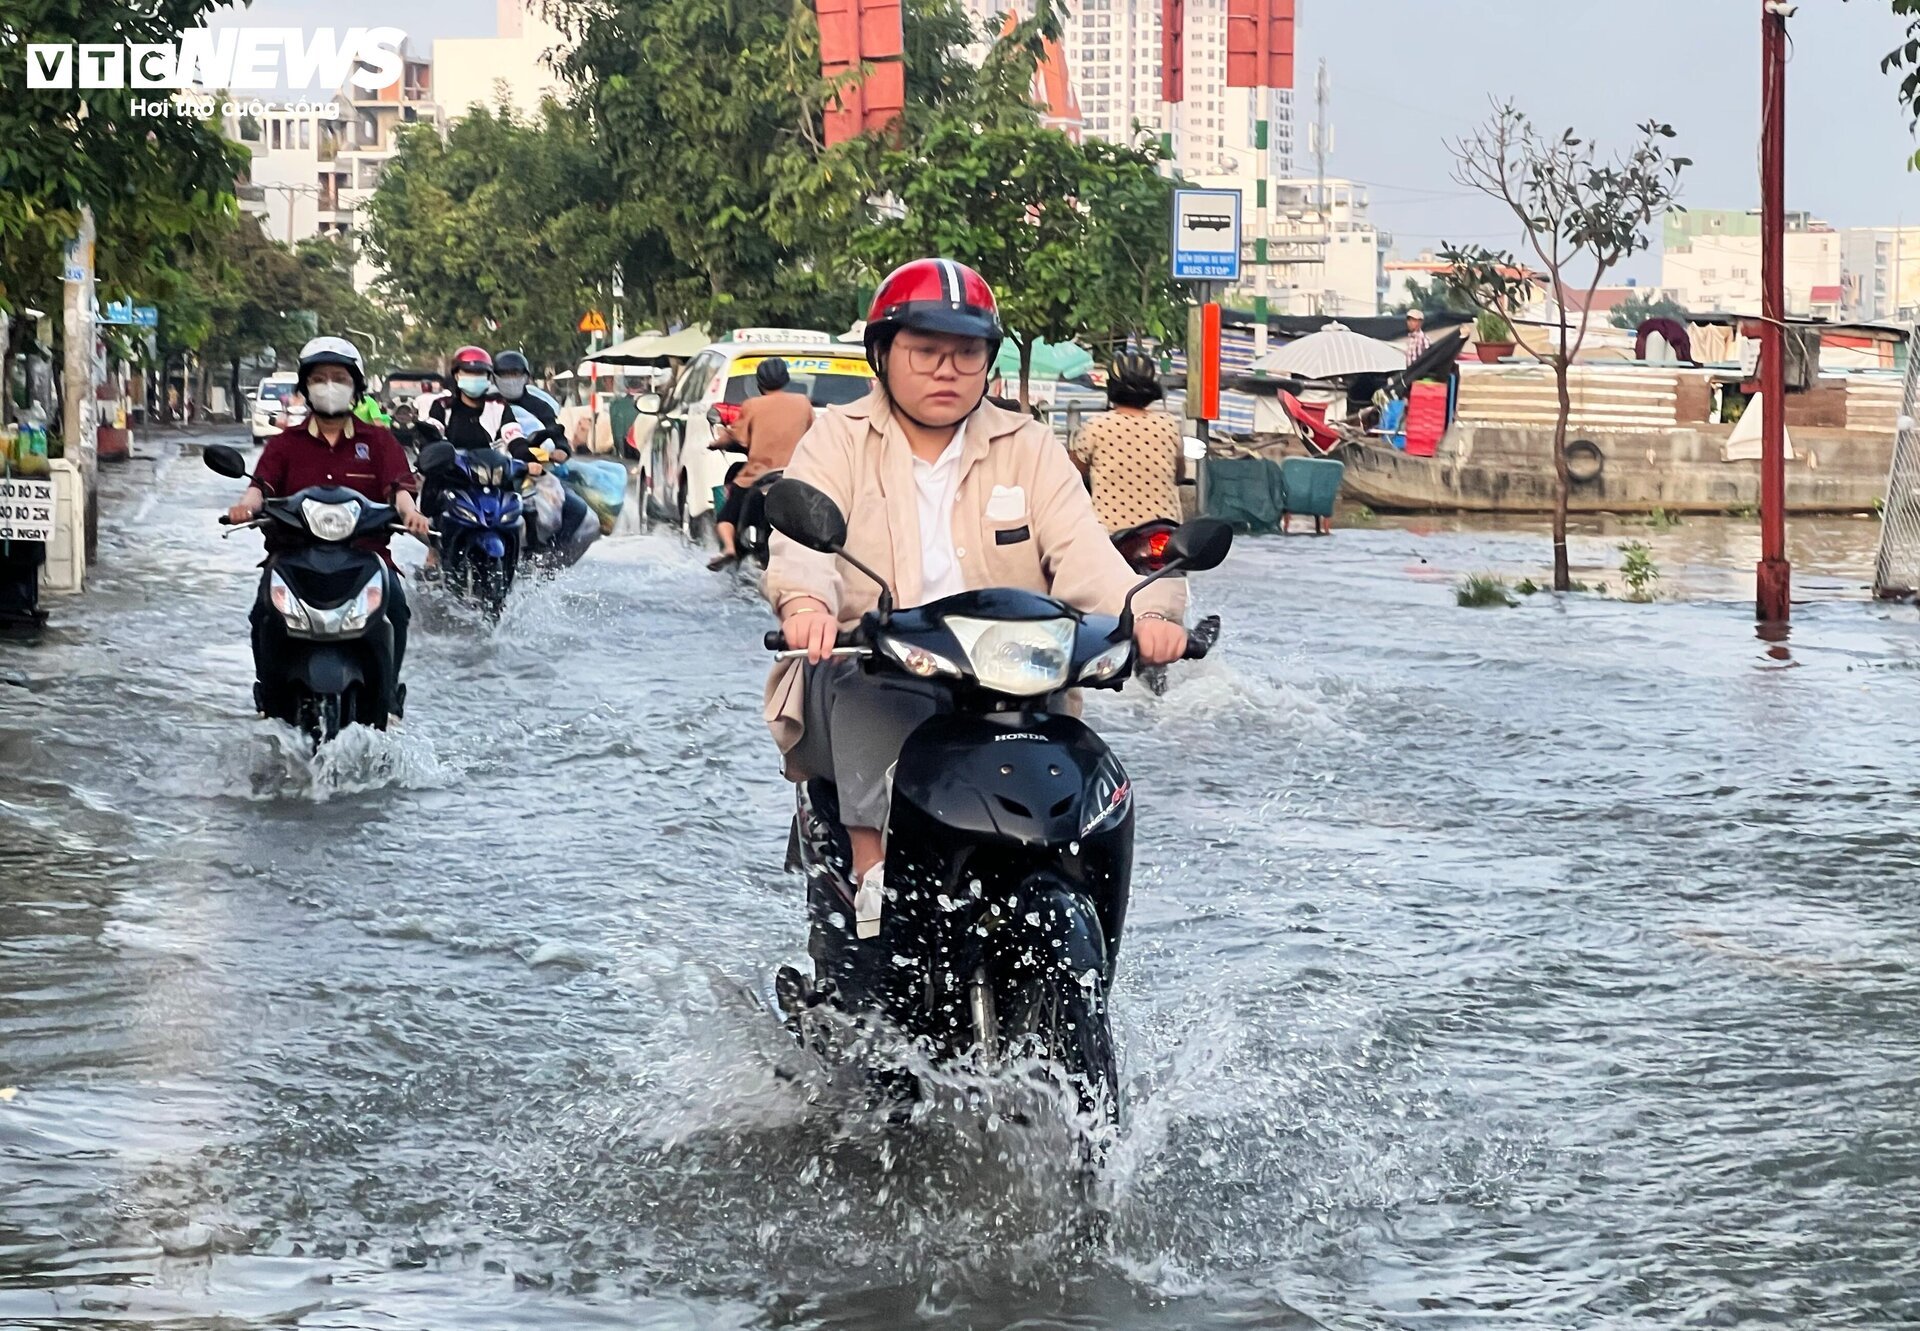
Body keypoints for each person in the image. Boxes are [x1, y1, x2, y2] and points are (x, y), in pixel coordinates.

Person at [764, 257, 1188, 909]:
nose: (946, 368)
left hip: (1010, 673)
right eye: (926, 349)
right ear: (883, 353)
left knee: (1083, 773)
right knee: (868, 697)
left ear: (988, 360)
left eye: (966, 353)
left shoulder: (1030, 445)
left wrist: (1147, 614)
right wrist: (807, 602)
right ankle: (876, 901)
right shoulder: (837, 438)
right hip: (877, 662)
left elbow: (1086, 554)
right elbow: (802, 543)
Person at [225, 336, 430, 711]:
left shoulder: (380, 442)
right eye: (319, 378)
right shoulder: (285, 444)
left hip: (366, 557)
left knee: (396, 607)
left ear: (355, 387)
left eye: (339, 377)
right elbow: (259, 487)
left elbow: (400, 487)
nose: (329, 386)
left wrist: (410, 512)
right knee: (262, 614)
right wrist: (244, 507)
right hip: (293, 557)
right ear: (305, 388)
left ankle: (389, 700)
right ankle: (267, 699)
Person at [708, 356, 815, 568]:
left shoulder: (752, 405)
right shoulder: (803, 403)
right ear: (785, 380)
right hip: (795, 477)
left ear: (759, 383)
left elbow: (737, 438)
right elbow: (814, 434)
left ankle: (729, 547)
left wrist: (717, 442)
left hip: (759, 476)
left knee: (727, 513)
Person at [1070, 351, 1182, 533]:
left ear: (1111, 387)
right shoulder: (1169, 425)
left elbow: (1074, 475)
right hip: (1164, 530)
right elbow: (1179, 473)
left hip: (1111, 533)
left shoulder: (1096, 426)